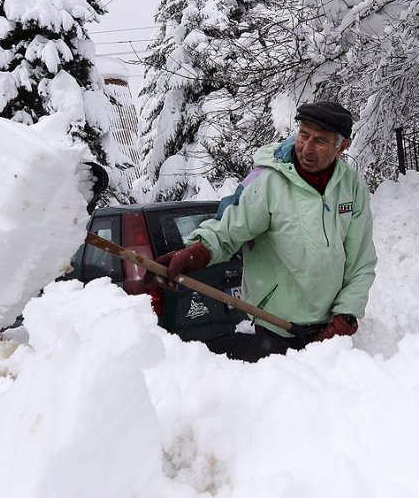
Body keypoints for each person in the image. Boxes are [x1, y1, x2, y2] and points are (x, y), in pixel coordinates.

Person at [155, 101, 377, 362]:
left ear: (342, 146)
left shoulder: (351, 186)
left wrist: (345, 317)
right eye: (303, 135)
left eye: (320, 141)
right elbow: (228, 228)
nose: (307, 148)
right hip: (276, 327)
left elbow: (360, 261)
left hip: (330, 330)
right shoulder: (268, 181)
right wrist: (195, 252)